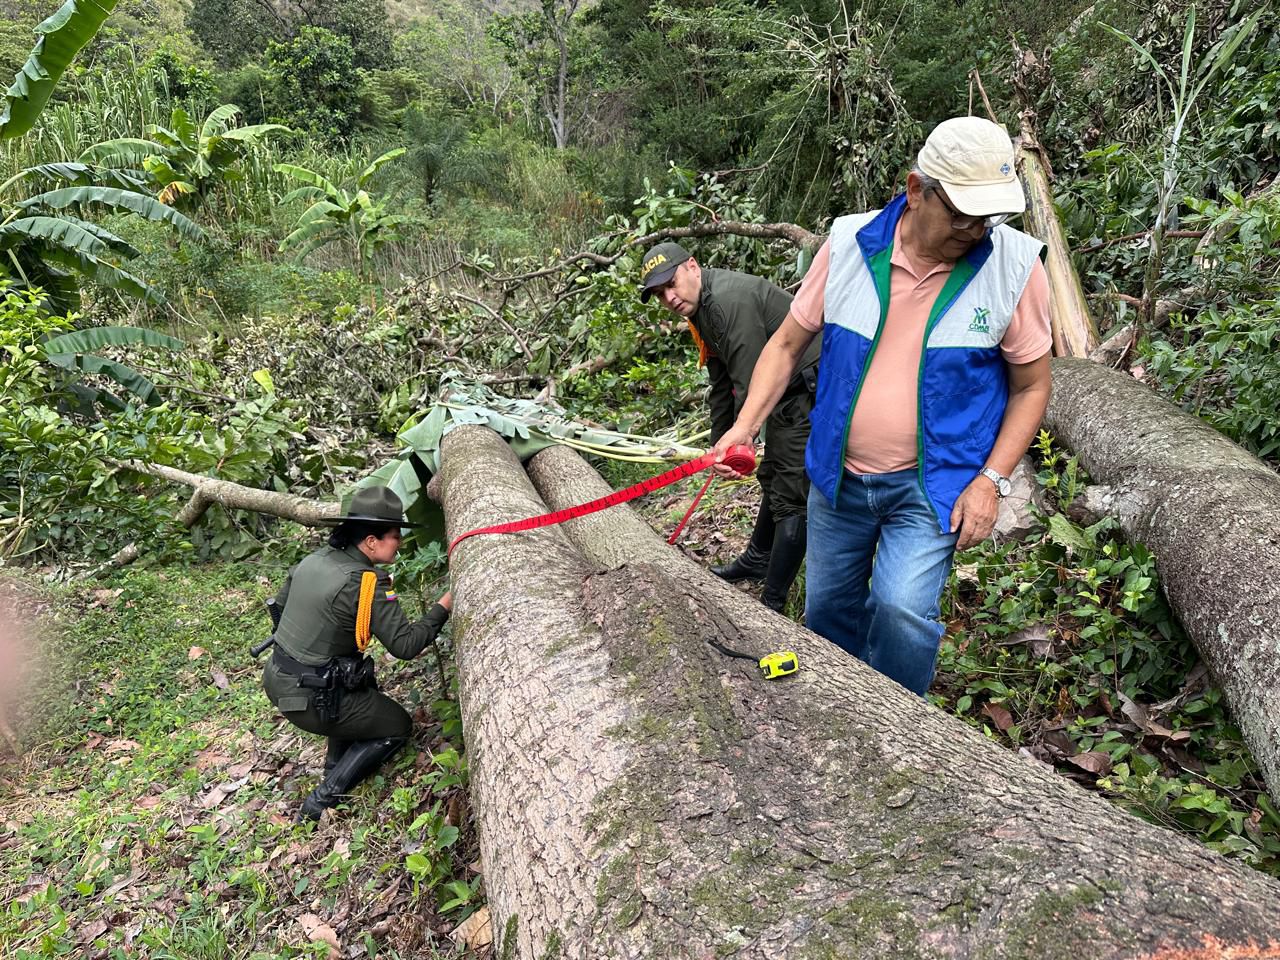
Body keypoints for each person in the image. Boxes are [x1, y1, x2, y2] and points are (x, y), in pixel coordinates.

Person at [711, 116, 1053, 695]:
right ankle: (837, 718)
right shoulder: (847, 245)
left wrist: (991, 481)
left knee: (900, 612)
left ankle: (899, 727)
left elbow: (1032, 387)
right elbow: (787, 343)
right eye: (962, 213)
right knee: (826, 614)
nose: (976, 230)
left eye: (988, 216)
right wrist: (744, 428)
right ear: (917, 189)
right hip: (838, 480)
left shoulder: (1013, 267)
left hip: (934, 485)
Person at [639, 241, 821, 612]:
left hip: (806, 389)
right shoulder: (703, 309)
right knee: (773, 476)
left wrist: (743, 436)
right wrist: (716, 443)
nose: (669, 297)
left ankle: (773, 601)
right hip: (782, 391)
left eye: (672, 283)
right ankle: (757, 558)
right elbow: (722, 382)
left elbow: (753, 378)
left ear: (692, 266)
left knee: (791, 495)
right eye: (660, 294)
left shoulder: (726, 301)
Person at [262, 485, 452, 821]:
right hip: (310, 699)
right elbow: (405, 645)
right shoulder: (365, 581)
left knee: (352, 688)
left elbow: (278, 605)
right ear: (370, 542)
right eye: (395, 535)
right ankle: (322, 799)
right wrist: (442, 607)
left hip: (279, 678)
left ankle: (334, 763)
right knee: (397, 725)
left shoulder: (315, 559)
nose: (400, 542)